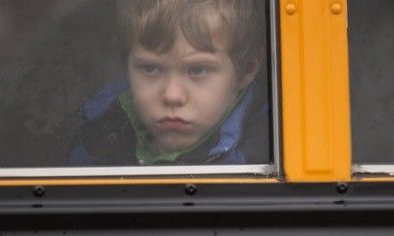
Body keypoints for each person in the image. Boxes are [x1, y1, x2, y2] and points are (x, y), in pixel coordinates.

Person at [70, 0, 269, 166]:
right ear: (126, 66)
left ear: (247, 69)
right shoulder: (101, 132)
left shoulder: (268, 152)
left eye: (197, 70)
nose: (172, 95)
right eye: (150, 69)